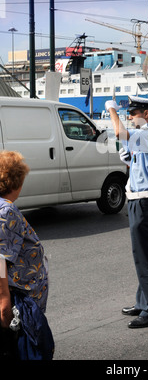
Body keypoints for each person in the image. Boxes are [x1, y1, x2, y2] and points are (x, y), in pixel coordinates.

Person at [105, 96, 148, 328]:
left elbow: (120, 133)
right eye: (128, 114)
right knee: (141, 255)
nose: (129, 117)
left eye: (134, 113)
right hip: (138, 200)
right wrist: (131, 160)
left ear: (146, 114)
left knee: (145, 257)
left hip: (144, 201)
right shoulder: (147, 136)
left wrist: (112, 110)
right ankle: (143, 303)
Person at [0, 151, 49, 358]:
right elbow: (0, 262)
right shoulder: (6, 211)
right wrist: (5, 310)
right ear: (16, 181)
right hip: (17, 307)